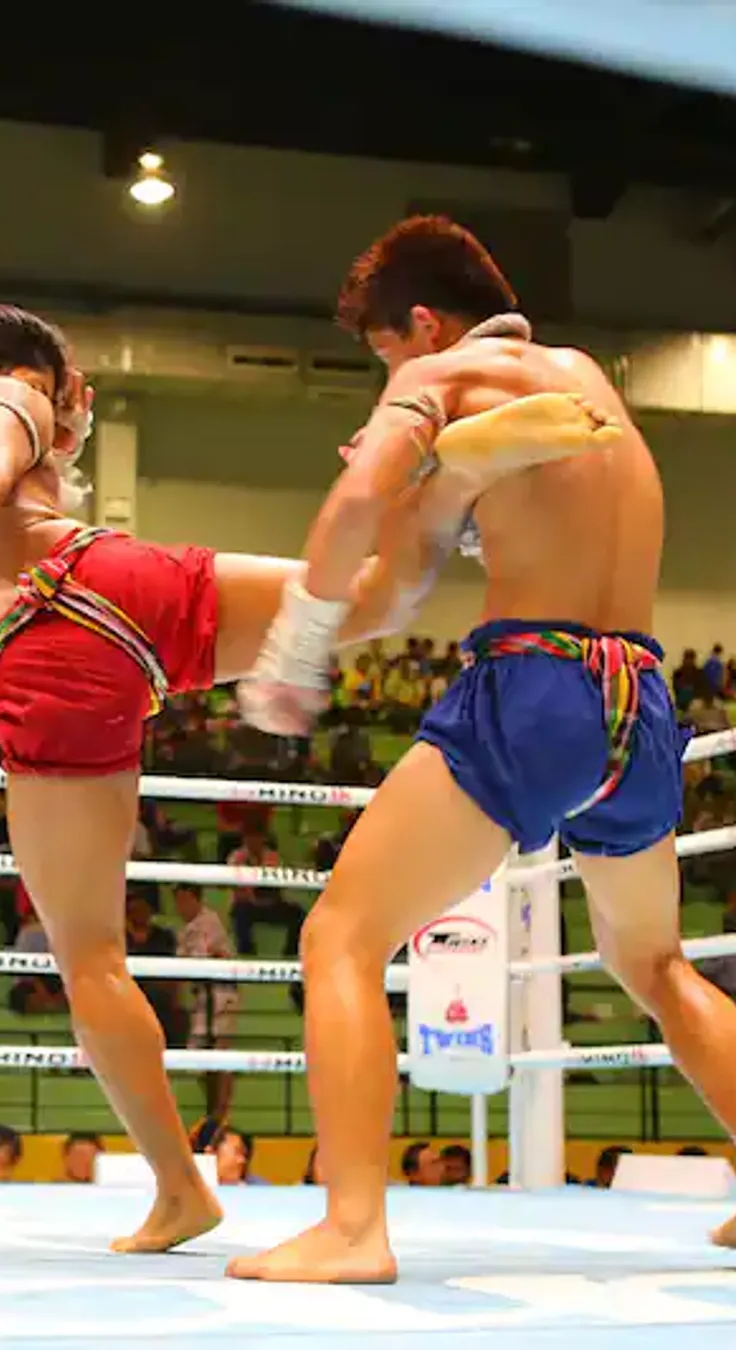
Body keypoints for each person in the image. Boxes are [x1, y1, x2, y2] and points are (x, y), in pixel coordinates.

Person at [0, 302, 585, 1255]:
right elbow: (1, 432)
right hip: (120, 578)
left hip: (43, 650)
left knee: (91, 957)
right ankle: (449, 489)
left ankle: (178, 1190)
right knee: (369, 599)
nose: (55, 409)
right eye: (54, 389)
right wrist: (36, 435)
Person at [230, 214, 736, 1282]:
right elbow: (441, 539)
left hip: (536, 685)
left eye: (384, 354)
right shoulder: (590, 383)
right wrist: (438, 490)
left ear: (422, 324)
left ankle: (352, 1231)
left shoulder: (442, 375)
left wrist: (297, 644)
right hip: (640, 697)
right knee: (652, 962)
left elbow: (362, 512)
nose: (390, 375)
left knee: (341, 937)